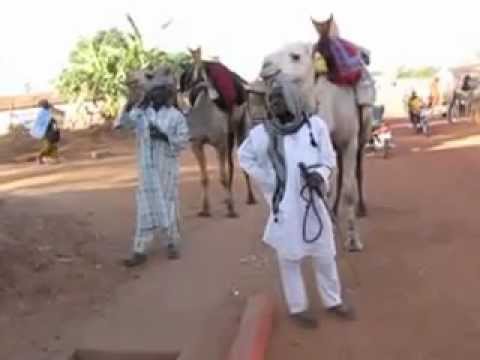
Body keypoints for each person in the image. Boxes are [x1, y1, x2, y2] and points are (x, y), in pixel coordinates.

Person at [238, 74, 354, 329]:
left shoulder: (316, 127)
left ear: (293, 99)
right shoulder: (262, 134)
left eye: (280, 98)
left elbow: (328, 158)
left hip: (314, 201)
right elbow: (244, 157)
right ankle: (298, 307)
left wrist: (320, 175)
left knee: (324, 254)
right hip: (286, 207)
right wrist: (270, 179)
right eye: (272, 100)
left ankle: (333, 301)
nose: (275, 104)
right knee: (289, 258)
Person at [115, 72, 190, 267]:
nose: (157, 95)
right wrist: (130, 103)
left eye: (161, 91)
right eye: (153, 91)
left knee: (168, 205)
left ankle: (171, 243)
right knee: (145, 208)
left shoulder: (176, 116)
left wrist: (164, 136)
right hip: (146, 169)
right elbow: (123, 124)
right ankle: (139, 250)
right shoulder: (141, 113)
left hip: (166, 168)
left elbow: (183, 141)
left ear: (168, 95)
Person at [30, 99, 60, 164]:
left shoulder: (50, 112)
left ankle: (54, 158)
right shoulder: (42, 114)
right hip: (46, 133)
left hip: (53, 132)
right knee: (48, 146)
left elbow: (56, 121)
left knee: (54, 146)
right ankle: (40, 157)